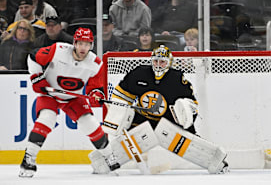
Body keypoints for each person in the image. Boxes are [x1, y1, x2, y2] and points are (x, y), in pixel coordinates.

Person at [88, 45, 229, 174]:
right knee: (130, 134)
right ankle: (103, 162)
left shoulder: (177, 79)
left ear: (169, 63)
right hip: (142, 118)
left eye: (162, 62)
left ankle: (215, 161)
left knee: (189, 139)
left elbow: (191, 106)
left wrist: (185, 117)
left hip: (169, 119)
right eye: (156, 61)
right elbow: (121, 96)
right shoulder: (139, 73)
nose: (158, 65)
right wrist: (120, 113)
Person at [18, 27, 120, 178]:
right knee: (47, 118)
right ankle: (28, 159)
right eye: (80, 43)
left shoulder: (96, 64)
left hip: (73, 98)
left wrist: (96, 95)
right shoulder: (58, 50)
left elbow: (96, 87)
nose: (83, 48)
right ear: (75, 43)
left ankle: (109, 157)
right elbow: (33, 57)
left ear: (91, 45)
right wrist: (37, 77)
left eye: (87, 44)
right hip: (50, 94)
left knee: (90, 123)